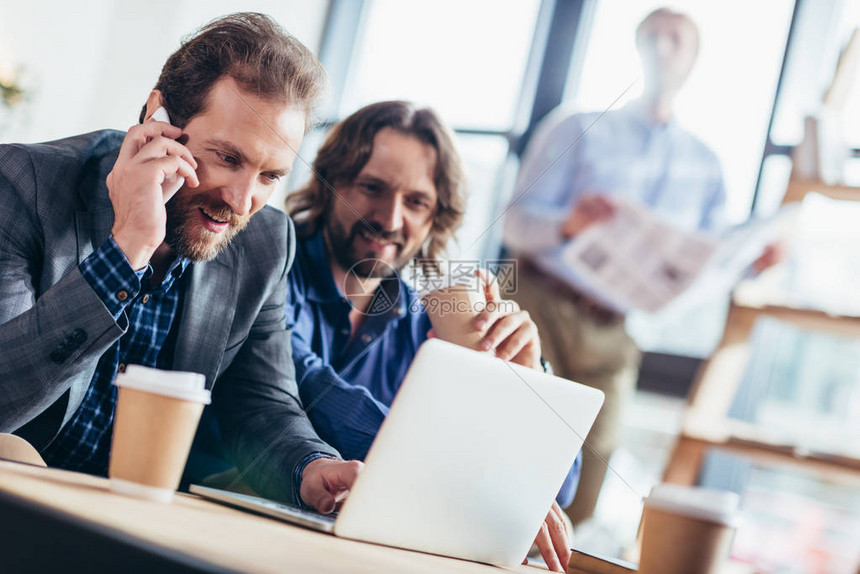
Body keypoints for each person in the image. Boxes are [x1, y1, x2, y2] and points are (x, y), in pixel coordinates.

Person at [0, 13, 360, 513]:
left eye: (270, 176)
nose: (241, 202)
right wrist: (126, 251)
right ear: (159, 118)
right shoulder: (22, 185)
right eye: (228, 158)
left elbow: (263, 403)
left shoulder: (267, 243)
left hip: (143, 527)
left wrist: (313, 468)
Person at [502, 7, 781, 526]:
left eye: (675, 37)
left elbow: (707, 262)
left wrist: (751, 265)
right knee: (514, 448)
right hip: (542, 306)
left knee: (584, 490)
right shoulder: (578, 127)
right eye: (652, 36)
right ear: (638, 48)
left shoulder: (706, 164)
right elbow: (514, 223)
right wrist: (569, 223)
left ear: (693, 58)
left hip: (616, 329)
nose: (663, 46)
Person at [285, 100, 577, 572]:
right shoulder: (275, 263)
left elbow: (562, 488)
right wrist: (477, 473)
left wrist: (528, 379)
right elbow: (306, 387)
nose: (391, 218)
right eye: (371, 188)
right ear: (330, 182)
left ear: (436, 217)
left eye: (416, 202)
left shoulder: (427, 316)